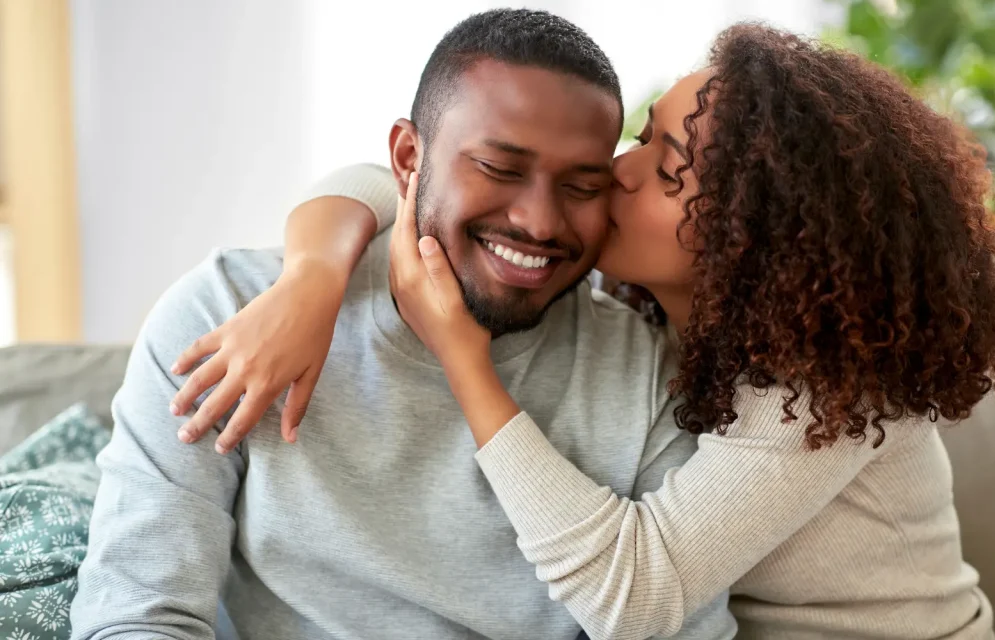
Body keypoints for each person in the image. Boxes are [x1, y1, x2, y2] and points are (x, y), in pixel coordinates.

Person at [168, 23, 995, 640]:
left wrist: (464, 357)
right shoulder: (661, 298)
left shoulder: (819, 387)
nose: (620, 170)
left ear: (747, 236)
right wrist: (312, 279)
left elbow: (634, 595)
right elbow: (399, 175)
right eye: (643, 136)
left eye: (667, 170)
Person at [69, 9, 736, 640]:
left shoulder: (646, 376)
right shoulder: (228, 312)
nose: (538, 222)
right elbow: (136, 612)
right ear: (408, 159)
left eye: (583, 186)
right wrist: (314, 274)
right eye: (500, 169)